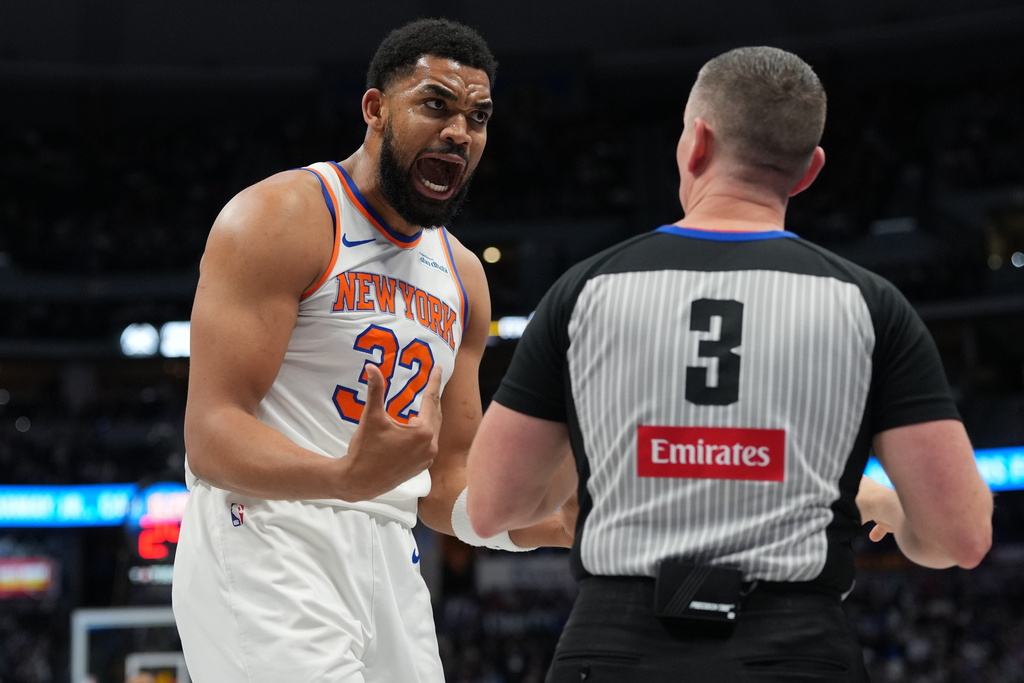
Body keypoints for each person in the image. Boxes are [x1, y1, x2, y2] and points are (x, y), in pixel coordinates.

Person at [465, 46, 993, 681]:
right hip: (796, 649)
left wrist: (600, 478)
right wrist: (890, 510)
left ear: (698, 143)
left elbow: (493, 505)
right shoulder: (870, 305)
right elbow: (960, 536)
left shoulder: (586, 290)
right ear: (808, 171)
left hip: (615, 645)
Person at [172, 18, 570, 683]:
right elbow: (211, 437)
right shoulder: (284, 216)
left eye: (478, 116)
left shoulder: (463, 276)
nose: (459, 133)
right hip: (267, 534)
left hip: (389, 552)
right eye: (436, 104)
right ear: (376, 109)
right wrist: (344, 477)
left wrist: (548, 521)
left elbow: (447, 486)